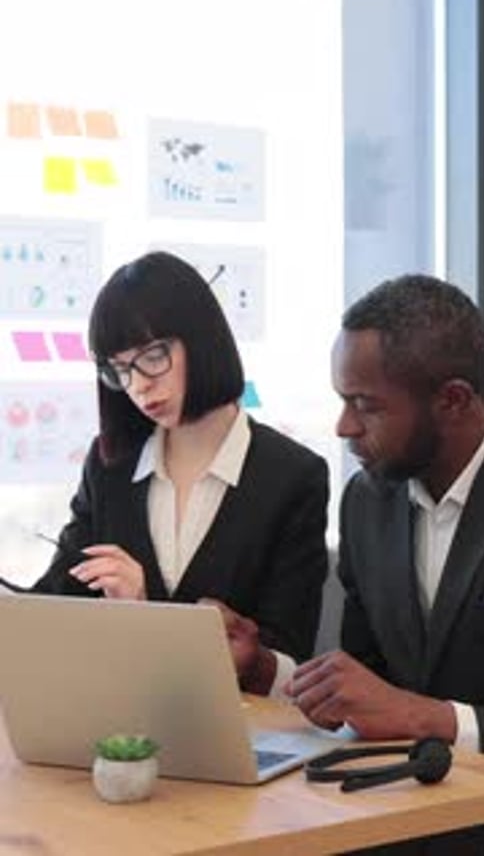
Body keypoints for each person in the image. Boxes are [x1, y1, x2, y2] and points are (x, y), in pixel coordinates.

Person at [33, 250, 329, 696]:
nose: (139, 385)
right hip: (116, 729)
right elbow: (51, 608)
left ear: (202, 339)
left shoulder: (292, 476)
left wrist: (145, 609)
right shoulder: (110, 466)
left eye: (153, 356)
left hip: (238, 735)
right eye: (120, 370)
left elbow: (288, 663)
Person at [286, 273, 484, 756]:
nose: (344, 427)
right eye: (343, 401)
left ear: (452, 400)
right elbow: (370, 682)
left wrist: (434, 719)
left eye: (365, 406)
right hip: (399, 801)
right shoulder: (367, 501)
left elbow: (405, 709)